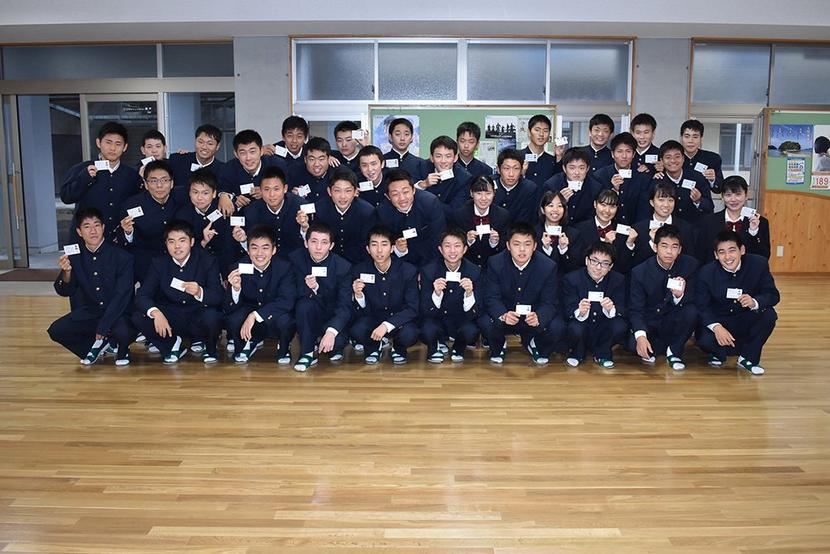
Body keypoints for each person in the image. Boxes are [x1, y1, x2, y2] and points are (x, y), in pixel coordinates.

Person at [48, 208, 135, 366]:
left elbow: (122, 295)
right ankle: (94, 346)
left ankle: (122, 347)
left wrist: (104, 326)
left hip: (118, 311)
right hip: (91, 312)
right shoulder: (75, 256)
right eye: (87, 226)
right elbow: (64, 291)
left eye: (96, 225)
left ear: (103, 227)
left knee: (124, 331)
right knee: (56, 330)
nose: (93, 231)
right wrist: (66, 272)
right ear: (79, 232)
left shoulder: (122, 256)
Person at [132, 220, 225, 364]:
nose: (177, 246)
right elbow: (143, 295)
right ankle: (172, 344)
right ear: (166, 244)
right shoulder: (159, 263)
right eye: (171, 242)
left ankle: (210, 348)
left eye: (182, 241)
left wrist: (200, 292)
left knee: (213, 316)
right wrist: (156, 312)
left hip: (197, 315)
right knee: (138, 316)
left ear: (192, 242)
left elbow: (218, 296)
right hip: (172, 317)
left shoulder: (207, 261)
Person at [695, 230, 779, 375]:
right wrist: (716, 327)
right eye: (722, 252)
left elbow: (773, 295)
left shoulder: (758, 264)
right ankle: (720, 353)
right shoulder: (706, 272)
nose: (727, 257)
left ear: (742, 250)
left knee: (769, 315)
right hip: (720, 319)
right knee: (704, 340)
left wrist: (754, 301)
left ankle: (747, 357)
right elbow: (701, 306)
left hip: (744, 318)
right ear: (716, 255)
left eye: (732, 250)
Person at [480, 222, 564, 365]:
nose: (522, 249)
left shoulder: (547, 266)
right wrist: (503, 315)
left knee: (557, 326)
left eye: (527, 244)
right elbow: (491, 297)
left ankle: (534, 342)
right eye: (516, 244)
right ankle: (499, 344)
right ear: (508, 245)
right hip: (507, 315)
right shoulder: (495, 262)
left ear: (535, 246)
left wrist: (539, 316)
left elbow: (549, 302)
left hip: (532, 317)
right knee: (484, 321)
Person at [628, 225, 699, 371]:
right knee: (633, 344)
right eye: (664, 246)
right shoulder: (639, 272)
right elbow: (636, 309)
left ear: (680, 249)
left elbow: (695, 298)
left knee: (691, 311)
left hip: (673, 320)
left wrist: (679, 296)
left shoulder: (690, 265)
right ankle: (654, 346)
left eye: (674, 247)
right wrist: (641, 336)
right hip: (651, 322)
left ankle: (674, 351)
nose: (669, 251)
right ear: (655, 247)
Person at [226, 225, 297, 365]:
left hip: (274, 315)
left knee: (287, 320)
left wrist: (255, 315)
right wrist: (235, 289)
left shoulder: (285, 268)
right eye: (254, 248)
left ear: (274, 250)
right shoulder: (237, 268)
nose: (259, 253)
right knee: (234, 318)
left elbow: (287, 301)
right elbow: (228, 307)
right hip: (249, 313)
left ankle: (284, 347)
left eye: (265, 248)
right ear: (247, 250)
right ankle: (246, 343)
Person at [60, 121, 142, 242]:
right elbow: (66, 197)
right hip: (85, 242)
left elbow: (138, 205)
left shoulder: (132, 175)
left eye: (118, 144)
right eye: (108, 142)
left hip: (118, 242)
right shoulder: (82, 169)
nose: (112, 148)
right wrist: (84, 178)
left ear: (125, 147)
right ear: (99, 143)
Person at [288, 221, 353, 372]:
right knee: (303, 305)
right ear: (306, 243)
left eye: (324, 243)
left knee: (338, 342)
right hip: (308, 316)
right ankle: (307, 353)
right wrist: (312, 289)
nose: (318, 247)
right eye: (314, 242)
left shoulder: (343, 267)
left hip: (332, 316)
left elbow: (344, 306)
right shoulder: (296, 259)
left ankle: (324, 342)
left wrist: (331, 331)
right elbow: (292, 291)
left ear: (331, 245)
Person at [350, 225, 420, 365]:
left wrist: (386, 326)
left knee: (411, 333)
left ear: (392, 248)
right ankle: (374, 346)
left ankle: (398, 348)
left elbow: (412, 308)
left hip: (399, 321)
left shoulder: (408, 271)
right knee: (357, 329)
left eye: (384, 244)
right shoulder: (359, 270)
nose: (379, 250)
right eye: (374, 245)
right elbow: (360, 311)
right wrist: (358, 296)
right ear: (368, 249)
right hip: (374, 319)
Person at [561, 241, 628, 368]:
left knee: (620, 326)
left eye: (605, 264)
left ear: (611, 266)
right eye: (594, 261)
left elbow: (623, 308)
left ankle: (603, 353)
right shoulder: (571, 279)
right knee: (574, 328)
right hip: (582, 325)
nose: (598, 267)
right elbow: (567, 309)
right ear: (587, 261)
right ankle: (576, 353)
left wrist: (611, 309)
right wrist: (579, 311)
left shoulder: (618, 280)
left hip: (603, 325)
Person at [419, 229, 482, 364]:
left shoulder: (474, 271)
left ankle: (458, 347)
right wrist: (436, 294)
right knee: (426, 330)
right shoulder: (429, 271)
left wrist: (469, 294)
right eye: (447, 246)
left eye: (457, 246)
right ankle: (435, 345)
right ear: (440, 250)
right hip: (438, 320)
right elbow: (425, 310)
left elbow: (476, 313)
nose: (452, 251)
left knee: (472, 332)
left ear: (465, 249)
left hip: (461, 320)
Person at [296, 166, 377, 265]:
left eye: (348, 191)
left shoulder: (367, 212)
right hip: (327, 261)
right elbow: (313, 239)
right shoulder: (319, 209)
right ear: (329, 191)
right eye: (337, 191)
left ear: (356, 192)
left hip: (358, 262)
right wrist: (305, 227)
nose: (342, 196)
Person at [118, 159, 180, 283]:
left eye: (164, 180)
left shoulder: (182, 198)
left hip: (177, 261)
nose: (159, 186)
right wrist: (128, 232)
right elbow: (124, 242)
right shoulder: (132, 205)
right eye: (153, 181)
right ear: (146, 184)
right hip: (146, 265)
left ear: (172, 183)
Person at [174, 168, 241, 279]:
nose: (199, 198)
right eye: (195, 192)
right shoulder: (182, 216)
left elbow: (231, 245)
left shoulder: (226, 208)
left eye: (205, 193)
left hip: (227, 266)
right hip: (198, 267)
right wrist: (203, 242)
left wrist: (228, 274)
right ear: (189, 193)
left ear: (214, 193)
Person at [376, 168, 446, 268]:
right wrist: (397, 250)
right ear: (387, 196)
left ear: (413, 190)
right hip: (400, 264)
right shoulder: (382, 213)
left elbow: (438, 239)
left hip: (430, 260)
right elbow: (384, 246)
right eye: (395, 194)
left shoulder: (430, 203)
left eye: (405, 192)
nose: (402, 198)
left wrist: (428, 270)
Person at [232, 165, 304, 260]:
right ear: (260, 190)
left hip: (297, 261)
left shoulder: (300, 206)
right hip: (265, 262)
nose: (272, 194)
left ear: (285, 188)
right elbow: (251, 247)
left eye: (276, 189)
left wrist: (305, 227)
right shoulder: (251, 211)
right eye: (266, 189)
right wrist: (243, 240)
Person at [697, 175, 770, 260]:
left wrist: (754, 232)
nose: (733, 199)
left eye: (738, 194)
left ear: (746, 195)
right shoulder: (708, 222)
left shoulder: (760, 222)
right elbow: (700, 255)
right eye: (728, 195)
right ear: (722, 197)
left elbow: (764, 257)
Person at [217, 129, 285, 216]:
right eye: (243, 153)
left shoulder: (277, 165)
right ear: (236, 154)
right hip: (241, 217)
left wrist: (266, 192)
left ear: (261, 151)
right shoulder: (227, 169)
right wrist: (224, 196)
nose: (248, 158)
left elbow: (286, 190)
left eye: (252, 152)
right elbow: (223, 188)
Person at [630, 182, 697, 267]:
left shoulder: (685, 228)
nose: (666, 205)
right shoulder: (639, 228)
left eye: (670, 200)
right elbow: (636, 264)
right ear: (652, 202)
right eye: (661, 200)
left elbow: (690, 260)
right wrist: (652, 243)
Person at [571, 189, 638, 274]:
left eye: (612, 206)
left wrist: (629, 244)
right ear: (595, 204)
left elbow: (623, 267)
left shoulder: (622, 231)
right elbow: (576, 262)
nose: (607, 210)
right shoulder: (579, 229)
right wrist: (606, 246)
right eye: (603, 205)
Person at [592, 132, 651, 225]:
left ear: (633, 154)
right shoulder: (600, 176)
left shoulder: (642, 177)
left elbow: (644, 209)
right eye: (619, 151)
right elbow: (596, 207)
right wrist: (614, 190)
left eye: (628, 151)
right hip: (608, 227)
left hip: (634, 228)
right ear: (612, 154)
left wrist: (638, 229)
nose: (624, 156)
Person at [451, 175, 510, 268]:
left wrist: (494, 243)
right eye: (479, 193)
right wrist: (467, 241)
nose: (483, 198)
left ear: (494, 193)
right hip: (467, 267)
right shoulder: (459, 215)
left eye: (488, 193)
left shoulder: (503, 215)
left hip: (493, 268)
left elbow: (506, 248)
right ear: (471, 193)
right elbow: (453, 246)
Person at [652, 139, 714, 223]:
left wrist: (698, 200)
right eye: (668, 157)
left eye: (677, 156)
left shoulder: (697, 177)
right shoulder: (658, 181)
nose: (673, 161)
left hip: (694, 227)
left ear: (683, 158)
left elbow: (710, 207)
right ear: (662, 160)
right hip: (667, 228)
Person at [414, 135, 472, 217]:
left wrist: (427, 204)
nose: (443, 161)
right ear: (431, 158)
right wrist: (423, 184)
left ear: (455, 158)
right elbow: (408, 197)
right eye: (438, 156)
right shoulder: (421, 167)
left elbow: (455, 211)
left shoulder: (464, 178)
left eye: (448, 156)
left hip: (448, 222)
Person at [168, 124, 224, 203]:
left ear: (217, 146)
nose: (204, 147)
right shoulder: (178, 160)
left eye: (210, 144)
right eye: (200, 142)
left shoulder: (223, 169)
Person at [542, 147, 598, 224]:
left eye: (581, 168)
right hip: (559, 227)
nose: (577, 172)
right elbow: (543, 214)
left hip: (584, 229)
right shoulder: (551, 185)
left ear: (587, 168)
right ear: (564, 168)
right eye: (572, 168)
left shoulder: (596, 188)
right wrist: (560, 202)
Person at [537, 190, 582, 275]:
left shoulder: (574, 235)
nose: (555, 210)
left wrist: (564, 250)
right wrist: (546, 249)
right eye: (551, 205)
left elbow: (575, 268)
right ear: (542, 210)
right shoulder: (533, 234)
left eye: (560, 206)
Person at [493, 148, 541, 225]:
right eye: (506, 168)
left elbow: (530, 220)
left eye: (516, 168)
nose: (511, 174)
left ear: (522, 170)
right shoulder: (489, 185)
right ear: (498, 169)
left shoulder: (530, 189)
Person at [680, 119, 724, 194]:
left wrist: (713, 180)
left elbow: (719, 189)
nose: (690, 141)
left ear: (701, 138)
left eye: (695, 137)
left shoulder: (713, 158)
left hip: (703, 201)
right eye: (687, 136)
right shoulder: (673, 160)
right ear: (681, 137)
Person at [287, 136, 334, 203]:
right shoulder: (294, 173)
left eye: (321, 159)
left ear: (328, 159)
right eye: (312, 159)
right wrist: (293, 197)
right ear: (305, 160)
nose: (316, 164)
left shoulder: (338, 175)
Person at [521, 114, 564, 186]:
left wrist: (559, 157)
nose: (541, 134)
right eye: (537, 130)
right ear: (529, 132)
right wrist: (520, 174)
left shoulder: (552, 161)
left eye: (545, 131)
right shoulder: (517, 157)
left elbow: (559, 183)